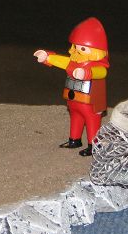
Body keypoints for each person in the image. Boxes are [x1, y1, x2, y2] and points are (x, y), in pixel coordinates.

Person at [33, 17, 108, 157]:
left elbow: (101, 72)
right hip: (73, 98)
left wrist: (86, 73)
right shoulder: (72, 62)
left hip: (90, 101)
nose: (77, 51)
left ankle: (93, 145)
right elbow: (61, 61)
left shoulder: (97, 66)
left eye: (82, 49)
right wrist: (47, 57)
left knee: (92, 121)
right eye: (75, 47)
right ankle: (74, 140)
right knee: (75, 117)